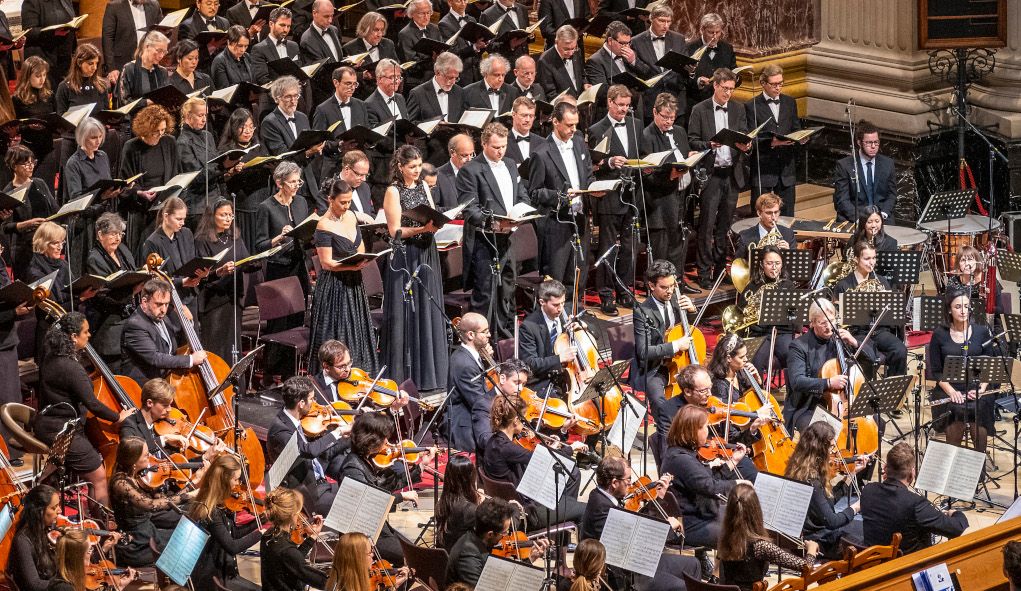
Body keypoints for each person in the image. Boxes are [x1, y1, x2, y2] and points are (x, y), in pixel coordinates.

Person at [381, 145, 449, 391]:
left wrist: (436, 224)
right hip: (406, 255)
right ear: (400, 167)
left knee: (427, 309)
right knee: (407, 313)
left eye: (419, 166)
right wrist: (422, 229)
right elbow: (394, 231)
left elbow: (432, 214)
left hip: (426, 252)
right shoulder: (393, 191)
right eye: (412, 167)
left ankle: (430, 374)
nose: (417, 171)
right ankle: (404, 375)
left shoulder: (422, 186)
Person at [581, 455, 700, 591]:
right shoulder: (602, 508)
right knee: (682, 587)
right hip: (628, 573)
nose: (632, 484)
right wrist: (668, 528)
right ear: (614, 483)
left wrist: (659, 495)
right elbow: (637, 542)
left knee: (693, 564)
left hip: (636, 562)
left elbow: (636, 522)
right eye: (628, 480)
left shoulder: (602, 496)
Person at [458, 122, 531, 338]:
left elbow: (522, 194)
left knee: (507, 289)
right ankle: (479, 342)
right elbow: (469, 210)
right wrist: (495, 223)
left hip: (508, 239)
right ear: (483, 144)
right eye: (495, 147)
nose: (500, 152)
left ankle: (504, 339)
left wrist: (522, 212)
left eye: (503, 147)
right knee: (485, 295)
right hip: (485, 241)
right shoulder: (470, 170)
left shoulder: (509, 164)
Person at [340, 411, 434, 565]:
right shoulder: (352, 468)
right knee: (411, 560)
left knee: (414, 553)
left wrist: (421, 465)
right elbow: (369, 501)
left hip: (376, 526)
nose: (387, 443)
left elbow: (388, 485)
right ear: (371, 440)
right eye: (384, 439)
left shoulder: (367, 460)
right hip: (361, 536)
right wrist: (402, 497)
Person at [482, 394, 587, 527]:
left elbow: (532, 457)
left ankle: (562, 522)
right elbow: (547, 459)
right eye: (523, 419)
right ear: (515, 420)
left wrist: (550, 447)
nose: (526, 423)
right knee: (584, 509)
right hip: (528, 513)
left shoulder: (494, 441)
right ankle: (566, 527)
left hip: (513, 503)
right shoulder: (507, 448)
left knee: (571, 477)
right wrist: (571, 448)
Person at [688, 67, 750, 288]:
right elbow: (692, 139)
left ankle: (718, 271)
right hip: (711, 175)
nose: (728, 94)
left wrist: (746, 144)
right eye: (725, 89)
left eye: (732, 89)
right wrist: (708, 144)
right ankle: (704, 272)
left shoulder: (738, 109)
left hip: (731, 175)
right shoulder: (699, 109)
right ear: (715, 85)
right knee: (706, 226)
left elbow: (744, 134)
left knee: (725, 226)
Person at [308, 177, 378, 371]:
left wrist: (361, 259)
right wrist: (351, 267)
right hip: (334, 286)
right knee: (337, 329)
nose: (347, 206)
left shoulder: (351, 217)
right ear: (331, 200)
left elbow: (360, 244)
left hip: (354, 281)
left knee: (357, 328)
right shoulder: (323, 225)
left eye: (349, 201)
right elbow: (326, 263)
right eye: (343, 202)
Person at [527, 101, 594, 299]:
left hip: (580, 219)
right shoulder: (541, 153)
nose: (574, 129)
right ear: (555, 122)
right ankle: (556, 324)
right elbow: (535, 192)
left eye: (576, 124)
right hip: (556, 224)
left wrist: (594, 189)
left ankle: (575, 319)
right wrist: (561, 197)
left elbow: (588, 175)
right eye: (569, 125)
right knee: (556, 280)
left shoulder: (580, 143)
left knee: (579, 275)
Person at [661, 405, 749, 549]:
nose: (708, 433)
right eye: (705, 427)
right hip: (691, 523)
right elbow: (710, 487)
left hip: (702, 512)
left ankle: (720, 570)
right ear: (692, 431)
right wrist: (738, 483)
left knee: (744, 519)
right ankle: (726, 570)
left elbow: (706, 481)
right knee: (742, 538)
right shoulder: (681, 460)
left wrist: (733, 462)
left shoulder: (682, 453)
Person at [588, 83, 641, 316]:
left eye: (627, 106)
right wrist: (609, 163)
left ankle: (624, 290)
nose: (624, 110)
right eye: (620, 105)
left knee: (629, 246)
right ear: (609, 102)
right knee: (608, 247)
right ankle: (606, 294)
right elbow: (591, 165)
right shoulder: (597, 129)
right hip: (609, 196)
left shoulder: (636, 125)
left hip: (631, 195)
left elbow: (642, 155)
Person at [785, 297, 875, 432]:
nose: (829, 327)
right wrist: (828, 383)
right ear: (812, 323)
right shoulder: (798, 346)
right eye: (823, 323)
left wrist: (854, 342)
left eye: (831, 321)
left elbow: (872, 360)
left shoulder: (841, 340)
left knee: (878, 424)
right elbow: (797, 381)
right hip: (810, 406)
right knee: (822, 432)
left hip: (844, 402)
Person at [860, 442, 968, 554]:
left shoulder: (868, 490)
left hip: (873, 562)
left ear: (885, 468)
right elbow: (957, 528)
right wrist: (955, 513)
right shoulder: (916, 504)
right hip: (907, 566)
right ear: (912, 474)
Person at [266, 376, 350, 515]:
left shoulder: (293, 419)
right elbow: (307, 451)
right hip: (307, 494)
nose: (314, 403)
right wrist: (338, 432)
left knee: (357, 492)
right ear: (301, 403)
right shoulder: (280, 430)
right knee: (351, 507)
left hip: (319, 483)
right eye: (311, 399)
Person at [109, 436, 199, 566]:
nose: (150, 456)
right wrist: (189, 496)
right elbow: (152, 506)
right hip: (137, 543)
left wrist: (192, 484)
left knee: (191, 535)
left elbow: (165, 501)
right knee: (186, 544)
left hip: (149, 532)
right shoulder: (121, 483)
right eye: (146, 455)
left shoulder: (137, 475)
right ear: (133, 460)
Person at [926, 291, 996, 453]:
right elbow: (937, 371)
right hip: (948, 388)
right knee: (955, 410)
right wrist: (951, 391)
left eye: (966, 306)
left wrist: (982, 389)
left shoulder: (981, 332)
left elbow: (988, 365)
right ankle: (954, 461)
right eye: (958, 307)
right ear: (949, 310)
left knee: (979, 408)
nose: (963, 311)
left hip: (976, 388)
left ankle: (979, 465)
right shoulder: (939, 335)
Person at [784, 421, 864, 558]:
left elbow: (827, 500)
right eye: (831, 447)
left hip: (819, 533)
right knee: (866, 540)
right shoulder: (811, 480)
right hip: (816, 542)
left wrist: (851, 475)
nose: (833, 451)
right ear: (821, 448)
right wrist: (856, 507)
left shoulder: (799, 467)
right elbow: (832, 521)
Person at [633, 259, 696, 434]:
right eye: (664, 287)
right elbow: (644, 352)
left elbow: (687, 331)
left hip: (679, 364)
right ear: (651, 286)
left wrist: (691, 311)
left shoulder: (677, 299)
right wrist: (675, 345)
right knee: (662, 405)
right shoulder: (642, 311)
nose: (670, 291)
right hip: (654, 369)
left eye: (672, 286)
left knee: (703, 388)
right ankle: (665, 441)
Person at [718, 483, 818, 591]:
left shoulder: (725, 537)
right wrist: (811, 549)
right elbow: (806, 567)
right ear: (755, 511)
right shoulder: (760, 546)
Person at [640, 92, 697, 278]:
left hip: (681, 198)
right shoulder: (646, 136)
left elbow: (684, 157)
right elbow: (646, 176)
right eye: (665, 117)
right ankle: (660, 286)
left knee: (679, 244)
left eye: (672, 118)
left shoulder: (679, 131)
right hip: (660, 204)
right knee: (662, 252)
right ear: (655, 112)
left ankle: (678, 282)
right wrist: (670, 176)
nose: (669, 122)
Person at [832, 240, 908, 379]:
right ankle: (863, 391)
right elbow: (838, 316)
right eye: (867, 258)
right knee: (866, 355)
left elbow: (892, 314)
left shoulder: (882, 282)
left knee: (900, 350)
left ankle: (892, 390)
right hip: (858, 332)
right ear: (856, 259)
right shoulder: (843, 285)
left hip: (879, 331)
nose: (871, 262)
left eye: (873, 258)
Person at [188, 454, 263, 591]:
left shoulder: (218, 504)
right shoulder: (211, 512)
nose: (237, 484)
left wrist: (263, 520)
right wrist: (261, 534)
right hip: (213, 579)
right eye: (236, 479)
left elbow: (233, 533)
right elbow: (233, 546)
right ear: (224, 480)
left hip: (222, 571)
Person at [61, 117, 122, 276]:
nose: (98, 141)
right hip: (86, 222)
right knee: (89, 268)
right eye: (93, 137)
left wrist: (114, 191)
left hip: (105, 215)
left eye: (100, 136)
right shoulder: (73, 163)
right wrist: (101, 197)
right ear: (82, 137)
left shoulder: (102, 156)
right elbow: (76, 199)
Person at [446, 497, 550, 587]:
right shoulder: (468, 556)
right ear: (490, 534)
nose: (505, 537)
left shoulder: (479, 540)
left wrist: (530, 559)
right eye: (504, 533)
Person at [28, 225, 95, 361]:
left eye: (62, 242)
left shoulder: (62, 265)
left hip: (68, 328)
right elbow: (52, 310)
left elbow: (72, 289)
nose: (60, 247)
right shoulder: (35, 272)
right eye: (55, 243)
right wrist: (80, 299)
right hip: (49, 332)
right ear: (43, 243)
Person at [195, 199, 250, 361]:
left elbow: (245, 259)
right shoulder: (202, 240)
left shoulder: (235, 236)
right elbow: (200, 274)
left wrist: (254, 262)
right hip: (214, 301)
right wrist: (219, 272)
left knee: (233, 344)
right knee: (216, 346)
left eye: (230, 215)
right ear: (212, 216)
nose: (228, 219)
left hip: (233, 296)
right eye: (223, 215)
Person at [121, 279, 206, 384]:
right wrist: (190, 360)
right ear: (144, 301)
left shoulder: (163, 316)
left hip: (165, 379)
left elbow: (177, 345)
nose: (163, 310)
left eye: (166, 304)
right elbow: (155, 358)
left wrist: (189, 323)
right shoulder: (135, 325)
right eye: (159, 304)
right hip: (146, 386)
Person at [745, 64, 804, 217]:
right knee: (759, 214)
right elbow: (750, 138)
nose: (778, 87)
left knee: (787, 215)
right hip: (764, 168)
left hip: (786, 169)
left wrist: (801, 139)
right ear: (763, 83)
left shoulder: (790, 102)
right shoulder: (751, 106)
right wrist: (772, 143)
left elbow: (795, 128)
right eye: (774, 84)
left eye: (781, 83)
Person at [120, 104, 179, 254]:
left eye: (163, 130)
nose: (160, 135)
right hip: (142, 211)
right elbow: (125, 184)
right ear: (145, 130)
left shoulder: (169, 142)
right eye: (155, 132)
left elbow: (176, 172)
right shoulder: (131, 147)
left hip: (165, 207)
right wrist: (140, 193)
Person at [259, 75, 323, 211]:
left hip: (308, 183)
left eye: (296, 96)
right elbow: (282, 156)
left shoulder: (302, 117)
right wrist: (308, 152)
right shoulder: (269, 122)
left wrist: (316, 148)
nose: (293, 100)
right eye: (288, 97)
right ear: (277, 98)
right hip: (287, 185)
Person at [140, 197, 207, 324]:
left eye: (184, 219)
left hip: (190, 295)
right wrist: (182, 282)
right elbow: (155, 280)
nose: (182, 223)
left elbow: (192, 262)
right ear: (166, 216)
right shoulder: (152, 242)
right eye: (179, 219)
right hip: (170, 302)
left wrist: (201, 273)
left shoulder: (186, 233)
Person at [85, 213, 138, 373]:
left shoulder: (122, 250)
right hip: (107, 325)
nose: (118, 238)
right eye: (113, 234)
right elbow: (102, 296)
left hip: (127, 320)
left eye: (120, 234)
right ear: (100, 234)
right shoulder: (94, 259)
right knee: (114, 372)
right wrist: (132, 291)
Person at [734, 245, 797, 371]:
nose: (774, 267)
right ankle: (758, 390)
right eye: (769, 263)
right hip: (760, 332)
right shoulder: (752, 287)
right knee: (756, 360)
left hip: (782, 332)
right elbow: (741, 313)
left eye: (778, 263)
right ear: (762, 265)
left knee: (793, 356)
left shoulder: (788, 286)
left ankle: (793, 390)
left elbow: (794, 315)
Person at [259, 487, 328, 591]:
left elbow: (293, 560)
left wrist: (313, 536)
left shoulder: (268, 535)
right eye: (299, 512)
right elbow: (319, 581)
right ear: (292, 515)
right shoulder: (286, 550)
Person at [218, 108, 267, 253]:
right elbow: (221, 179)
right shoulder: (227, 150)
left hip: (263, 200)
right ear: (234, 128)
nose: (248, 131)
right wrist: (232, 171)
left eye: (251, 127)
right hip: (243, 206)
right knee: (249, 248)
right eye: (243, 127)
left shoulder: (259, 146)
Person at [3, 145, 54, 280]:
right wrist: (27, 224)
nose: (31, 166)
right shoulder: (9, 192)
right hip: (25, 250)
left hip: (45, 243)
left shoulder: (39, 183)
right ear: (14, 166)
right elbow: (6, 227)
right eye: (26, 163)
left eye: (33, 162)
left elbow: (54, 208)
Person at [407, 52, 466, 166]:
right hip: (429, 153)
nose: (452, 82)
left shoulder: (459, 92)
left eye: (456, 78)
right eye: (449, 77)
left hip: (454, 153)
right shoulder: (418, 93)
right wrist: (433, 127)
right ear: (437, 72)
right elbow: (410, 125)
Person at [448, 312, 495, 452]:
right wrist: (499, 391)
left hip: (471, 410)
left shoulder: (473, 354)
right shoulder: (464, 364)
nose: (489, 335)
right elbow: (479, 403)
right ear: (470, 335)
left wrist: (487, 361)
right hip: (464, 422)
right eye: (485, 332)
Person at [833, 120, 896, 222]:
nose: (873, 146)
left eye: (876, 142)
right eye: (868, 143)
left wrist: (883, 215)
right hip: (855, 218)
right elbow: (843, 200)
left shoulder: (888, 164)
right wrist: (861, 220)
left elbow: (892, 195)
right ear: (859, 143)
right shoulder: (845, 165)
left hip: (881, 218)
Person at [313, 67, 369, 181]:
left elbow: (366, 130)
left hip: (358, 166)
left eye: (354, 84)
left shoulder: (361, 105)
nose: (352, 87)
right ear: (336, 82)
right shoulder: (322, 109)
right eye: (348, 83)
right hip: (335, 165)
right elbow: (317, 142)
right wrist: (339, 146)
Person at [518, 279, 573, 395]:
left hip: (567, 375)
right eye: (556, 305)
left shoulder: (566, 312)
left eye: (563, 303)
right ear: (542, 302)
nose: (561, 308)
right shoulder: (528, 326)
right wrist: (559, 359)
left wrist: (582, 326)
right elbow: (530, 363)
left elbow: (596, 333)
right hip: (543, 380)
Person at [10, 58, 57, 189]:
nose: (42, 79)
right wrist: (28, 126)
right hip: (28, 152)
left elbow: (56, 119)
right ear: (27, 76)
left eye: (44, 75)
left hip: (48, 149)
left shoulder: (49, 96)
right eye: (38, 76)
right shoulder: (18, 99)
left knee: (46, 189)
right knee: (30, 190)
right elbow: (14, 126)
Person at [177, 97, 223, 223]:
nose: (204, 119)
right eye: (200, 115)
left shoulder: (208, 136)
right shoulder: (183, 142)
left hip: (215, 200)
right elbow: (196, 177)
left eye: (205, 115)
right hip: (198, 206)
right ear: (188, 116)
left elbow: (215, 162)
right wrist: (222, 167)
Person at [8, 484, 60, 591]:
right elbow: (34, 584)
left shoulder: (46, 529)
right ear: (39, 511)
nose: (59, 511)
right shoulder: (22, 541)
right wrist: (63, 585)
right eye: (54, 507)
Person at [472, 359, 530, 455]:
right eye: (516, 382)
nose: (521, 388)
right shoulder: (483, 404)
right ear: (502, 378)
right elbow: (485, 439)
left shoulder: (516, 400)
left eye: (523, 384)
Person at [47, 528, 136, 591]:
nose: (92, 553)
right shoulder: (64, 587)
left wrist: (119, 587)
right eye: (90, 549)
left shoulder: (76, 578)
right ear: (78, 557)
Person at [684, 13, 737, 116]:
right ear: (702, 30)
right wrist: (698, 81)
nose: (715, 36)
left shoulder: (727, 48)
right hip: (696, 104)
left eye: (718, 32)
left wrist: (736, 78)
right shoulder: (690, 48)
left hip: (722, 104)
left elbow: (733, 70)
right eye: (711, 32)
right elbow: (682, 77)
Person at [119, 377, 189, 455]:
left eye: (170, 405)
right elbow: (132, 452)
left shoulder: (163, 425)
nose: (169, 409)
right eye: (165, 405)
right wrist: (164, 439)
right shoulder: (130, 424)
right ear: (149, 403)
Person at [339, 12, 399, 100]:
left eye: (381, 30)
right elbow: (345, 76)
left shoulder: (388, 44)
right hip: (364, 96)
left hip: (389, 93)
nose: (379, 34)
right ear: (365, 29)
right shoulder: (349, 48)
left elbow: (397, 66)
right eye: (375, 30)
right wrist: (362, 75)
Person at [21, 0, 78, 90]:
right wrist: (53, 33)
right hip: (44, 58)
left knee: (64, 93)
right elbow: (29, 31)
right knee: (49, 95)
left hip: (64, 56)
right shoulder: (32, 2)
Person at [326, 532, 411, 591]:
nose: (373, 556)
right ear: (358, 558)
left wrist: (395, 584)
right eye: (370, 552)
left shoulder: (337, 582)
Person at [102, 0, 163, 81]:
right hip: (123, 63)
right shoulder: (114, 7)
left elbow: (162, 31)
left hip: (149, 62)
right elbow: (107, 38)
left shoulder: (154, 5)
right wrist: (111, 68)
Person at [435, 454, 486, 551]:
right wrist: (481, 506)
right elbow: (490, 529)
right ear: (468, 479)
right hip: (462, 560)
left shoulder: (442, 503)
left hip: (445, 556)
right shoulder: (469, 509)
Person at [298, 0, 343, 108]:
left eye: (332, 16)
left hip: (339, 88)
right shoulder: (307, 39)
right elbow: (318, 72)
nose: (330, 20)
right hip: (324, 94)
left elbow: (337, 57)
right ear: (314, 13)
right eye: (326, 16)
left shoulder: (334, 30)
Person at [945, 245, 1004, 328]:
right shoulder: (953, 282)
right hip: (961, 325)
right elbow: (948, 310)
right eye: (963, 260)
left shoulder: (989, 280)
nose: (967, 264)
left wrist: (988, 303)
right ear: (958, 264)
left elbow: (1001, 310)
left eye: (970, 259)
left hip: (989, 324)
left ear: (977, 261)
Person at [733, 192, 796, 261]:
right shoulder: (746, 236)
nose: (773, 217)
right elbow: (738, 264)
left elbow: (794, 266)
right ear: (759, 213)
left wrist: (788, 254)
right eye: (769, 213)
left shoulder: (788, 234)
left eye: (776, 212)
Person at [396, 0, 442, 90]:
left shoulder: (434, 29)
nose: (426, 17)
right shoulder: (405, 34)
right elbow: (411, 64)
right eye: (422, 13)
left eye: (428, 13)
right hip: (417, 80)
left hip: (436, 75)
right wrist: (433, 61)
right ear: (412, 14)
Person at [116, 31, 170, 106]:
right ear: (147, 46)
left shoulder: (163, 71)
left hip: (158, 115)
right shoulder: (129, 69)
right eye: (159, 51)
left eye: (164, 52)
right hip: (135, 116)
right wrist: (145, 103)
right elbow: (124, 101)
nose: (161, 56)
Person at [178, 0, 230, 71]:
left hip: (223, 69)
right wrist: (211, 47)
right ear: (198, 4)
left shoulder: (225, 22)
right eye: (209, 3)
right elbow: (186, 57)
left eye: (216, 4)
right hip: (201, 71)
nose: (213, 7)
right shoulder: (187, 26)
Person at [537, 25, 586, 99]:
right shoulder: (545, 61)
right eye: (566, 49)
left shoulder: (577, 51)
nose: (570, 53)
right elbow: (550, 94)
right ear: (556, 42)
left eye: (573, 48)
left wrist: (585, 84)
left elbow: (582, 75)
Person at [504, 96, 541, 165]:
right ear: (513, 115)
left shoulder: (542, 143)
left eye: (531, 116)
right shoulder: (502, 142)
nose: (528, 120)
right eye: (524, 115)